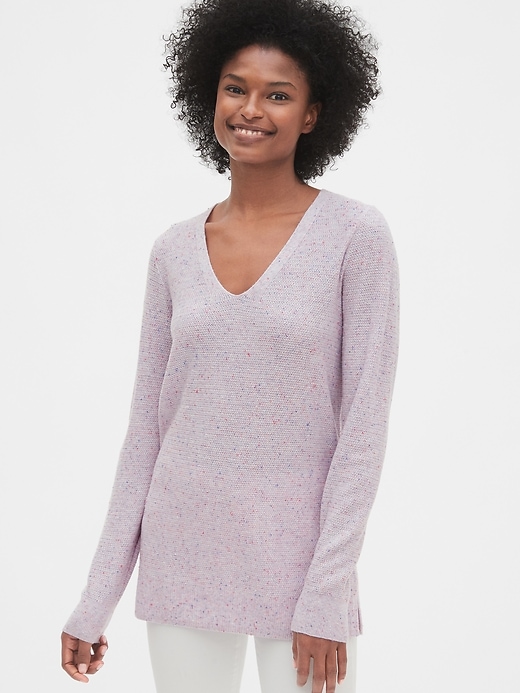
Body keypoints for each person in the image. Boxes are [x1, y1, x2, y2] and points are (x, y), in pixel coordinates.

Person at [60, 0, 399, 691]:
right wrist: (95, 598)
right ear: (209, 97)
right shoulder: (173, 250)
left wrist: (328, 590)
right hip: (182, 553)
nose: (251, 109)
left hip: (302, 567)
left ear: (312, 114)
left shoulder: (355, 236)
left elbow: (363, 428)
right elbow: (146, 434)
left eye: (278, 94)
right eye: (236, 88)